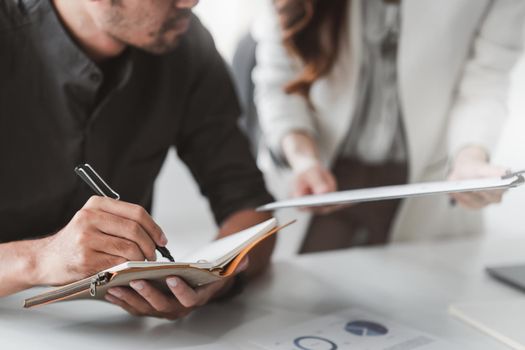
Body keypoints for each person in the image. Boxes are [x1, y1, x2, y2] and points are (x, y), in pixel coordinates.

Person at [0, 0, 276, 320]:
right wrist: (39, 260)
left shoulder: (187, 46)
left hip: (128, 332)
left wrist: (217, 279)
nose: (193, 1)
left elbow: (251, 206)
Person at [244, 0, 525, 253]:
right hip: (323, 181)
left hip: (425, 186)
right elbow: (278, 81)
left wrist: (470, 159)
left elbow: (485, 79)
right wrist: (303, 159)